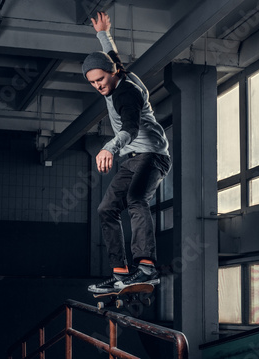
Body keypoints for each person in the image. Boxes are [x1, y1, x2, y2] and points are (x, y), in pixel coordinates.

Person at [83, 12, 171, 294]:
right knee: (106, 209)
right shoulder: (116, 70)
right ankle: (121, 274)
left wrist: (109, 146)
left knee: (135, 199)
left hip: (153, 155)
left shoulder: (127, 93)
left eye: (101, 79)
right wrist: (103, 33)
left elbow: (131, 128)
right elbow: (111, 55)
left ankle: (146, 269)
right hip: (133, 158)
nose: (98, 86)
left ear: (113, 74)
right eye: (93, 82)